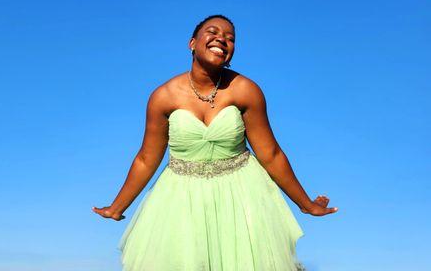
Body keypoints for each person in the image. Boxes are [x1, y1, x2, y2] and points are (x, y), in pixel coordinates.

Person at [93, 14, 338, 270]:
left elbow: (271, 154)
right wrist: (117, 207)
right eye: (213, 32)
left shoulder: (246, 90)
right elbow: (146, 158)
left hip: (243, 200)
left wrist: (306, 204)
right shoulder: (163, 97)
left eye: (230, 38)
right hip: (181, 202)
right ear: (192, 43)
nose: (222, 38)